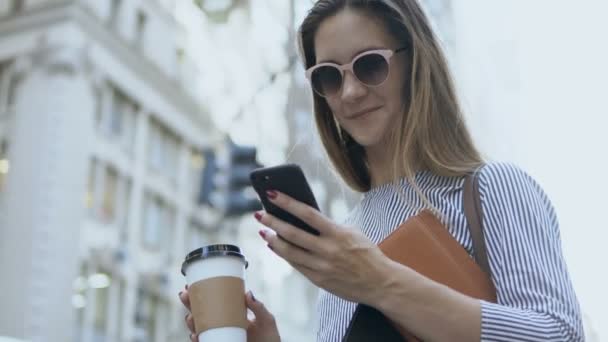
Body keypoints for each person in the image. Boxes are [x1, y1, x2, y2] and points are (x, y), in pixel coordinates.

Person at [179, 0, 584, 341]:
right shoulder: (343, 241)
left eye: (370, 65)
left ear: (415, 61)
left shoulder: (491, 188)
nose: (351, 92)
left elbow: (560, 333)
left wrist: (381, 281)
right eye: (329, 77)